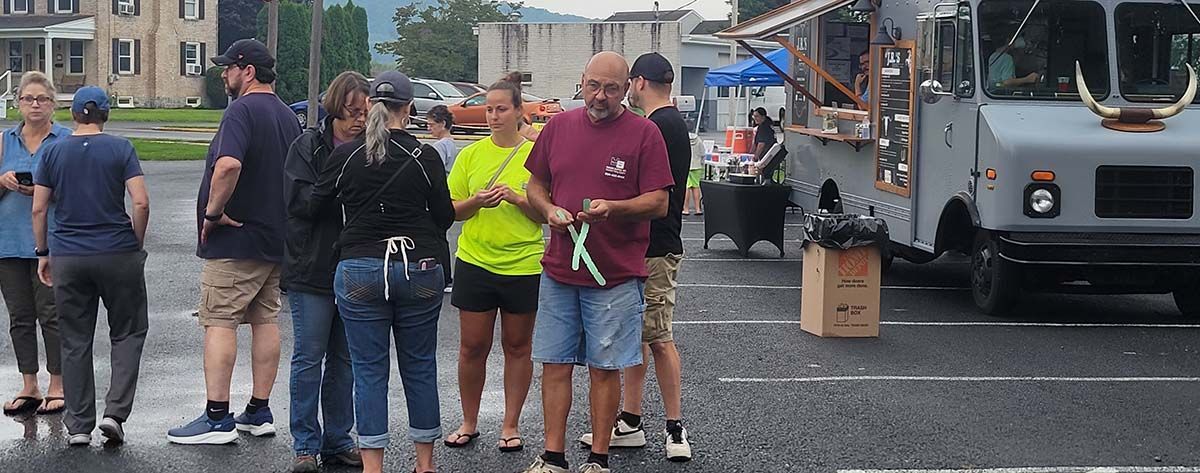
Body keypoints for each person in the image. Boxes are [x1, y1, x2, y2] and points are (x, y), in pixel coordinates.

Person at [521, 51, 674, 473]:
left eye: (610, 88)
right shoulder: (558, 127)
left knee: (604, 368)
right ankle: (553, 456)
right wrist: (547, 209)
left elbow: (660, 202)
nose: (600, 96)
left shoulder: (645, 134)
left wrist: (616, 208)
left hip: (615, 274)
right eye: (593, 86)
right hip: (559, 269)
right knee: (554, 364)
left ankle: (598, 459)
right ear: (581, 82)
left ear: (627, 89)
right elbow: (536, 184)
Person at [314, 71, 454, 473]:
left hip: (360, 266)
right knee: (420, 365)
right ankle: (424, 464)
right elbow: (443, 217)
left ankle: (373, 466)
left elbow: (313, 204)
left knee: (369, 369)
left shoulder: (347, 156)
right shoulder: (424, 157)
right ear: (408, 109)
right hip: (419, 267)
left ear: (371, 105)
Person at [168, 38, 301, 445]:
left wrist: (213, 212)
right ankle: (259, 410)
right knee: (265, 320)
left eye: (228, 67)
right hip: (275, 238)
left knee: (219, 321)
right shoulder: (286, 116)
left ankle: (216, 417)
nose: (223, 74)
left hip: (235, 238)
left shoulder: (241, 110)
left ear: (247, 71)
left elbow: (228, 164)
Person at [577, 52, 693, 462]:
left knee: (659, 337)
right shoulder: (673, 123)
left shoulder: (653, 128)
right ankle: (631, 419)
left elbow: (653, 197)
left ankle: (675, 429)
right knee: (636, 340)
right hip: (653, 245)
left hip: (655, 247)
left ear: (637, 83)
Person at [32, 87, 151, 446]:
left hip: (69, 253)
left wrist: (43, 251)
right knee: (128, 332)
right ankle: (114, 413)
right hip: (117, 251)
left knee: (75, 338)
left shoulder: (52, 152)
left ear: (73, 115)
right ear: (105, 114)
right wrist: (136, 243)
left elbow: (39, 208)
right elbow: (141, 202)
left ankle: (79, 424)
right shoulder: (121, 148)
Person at [442, 74, 543, 454]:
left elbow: (547, 216)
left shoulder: (535, 156)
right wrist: (476, 203)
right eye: (489, 109)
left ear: (519, 112)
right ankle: (469, 420)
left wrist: (518, 199)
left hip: (522, 262)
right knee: (472, 347)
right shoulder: (470, 155)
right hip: (475, 261)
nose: (494, 116)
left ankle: (510, 424)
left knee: (518, 347)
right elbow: (451, 212)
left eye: (502, 109)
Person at [282, 71, 370, 472]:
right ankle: (305, 444)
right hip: (312, 267)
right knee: (308, 357)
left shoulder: (373, 148)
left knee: (345, 359)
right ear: (335, 108)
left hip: (357, 267)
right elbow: (300, 205)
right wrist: (339, 176)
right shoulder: (308, 146)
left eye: (366, 113)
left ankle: (338, 439)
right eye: (352, 112)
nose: (359, 120)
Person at [0, 72, 71, 417]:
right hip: (9, 242)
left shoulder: (66, 140)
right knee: (20, 317)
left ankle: (58, 384)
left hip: (52, 243)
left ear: (53, 103)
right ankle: (30, 384)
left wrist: (46, 190)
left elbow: (81, 191)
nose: (35, 105)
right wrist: (4, 182)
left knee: (52, 315)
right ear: (18, 104)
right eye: (28, 98)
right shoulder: (4, 141)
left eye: (42, 98)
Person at [427, 105, 458, 173]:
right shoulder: (452, 144)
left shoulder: (439, 146)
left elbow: (436, 170)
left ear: (443, 124)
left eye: (431, 125)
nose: (428, 128)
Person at [682, 134, 704, 216]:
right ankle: (697, 209)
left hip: (687, 166)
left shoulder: (684, 139)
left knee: (687, 187)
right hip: (697, 166)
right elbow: (703, 153)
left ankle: (686, 209)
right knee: (696, 187)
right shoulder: (698, 140)